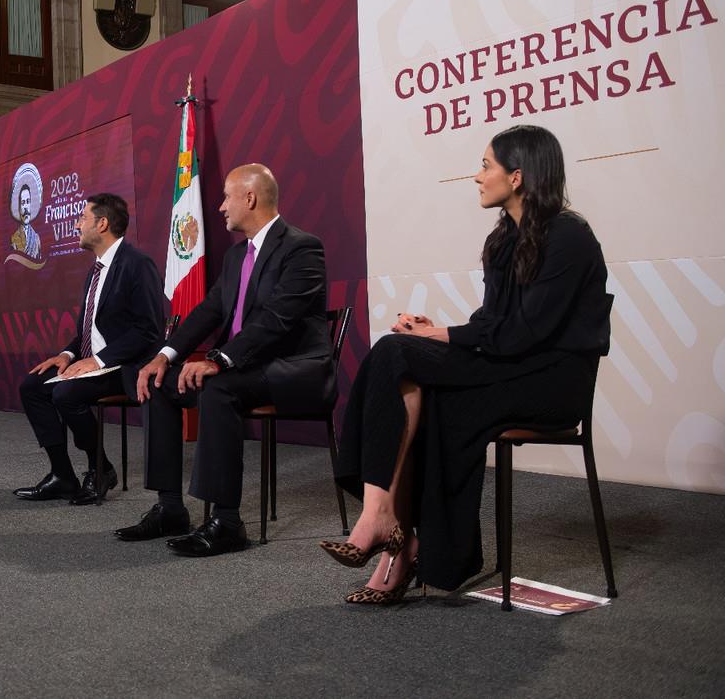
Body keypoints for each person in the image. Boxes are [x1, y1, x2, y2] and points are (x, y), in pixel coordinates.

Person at [323, 125, 611, 603]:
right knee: (408, 367)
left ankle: (388, 529)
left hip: (553, 381)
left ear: (517, 177)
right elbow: (494, 324)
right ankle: (397, 537)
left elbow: (527, 332)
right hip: (510, 365)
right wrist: (436, 330)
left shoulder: (569, 237)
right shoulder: (503, 240)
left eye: (485, 166)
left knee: (402, 356)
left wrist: (440, 336)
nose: (476, 177)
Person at [118, 164, 336, 555]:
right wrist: (164, 356)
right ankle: (170, 508)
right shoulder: (237, 256)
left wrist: (218, 359)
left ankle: (227, 522)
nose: (220, 207)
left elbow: (277, 320)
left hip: (292, 370)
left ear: (249, 198)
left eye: (226, 197)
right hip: (245, 366)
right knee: (155, 381)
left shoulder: (302, 248)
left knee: (216, 387)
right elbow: (209, 311)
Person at [15, 193, 165, 504]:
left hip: (125, 366)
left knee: (65, 394)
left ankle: (101, 469)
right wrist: (68, 355)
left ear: (103, 223)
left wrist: (98, 361)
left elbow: (148, 331)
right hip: (95, 363)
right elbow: (90, 329)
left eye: (82, 218)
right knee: (32, 386)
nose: (76, 224)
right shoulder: (95, 270)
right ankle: (62, 475)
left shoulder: (137, 265)